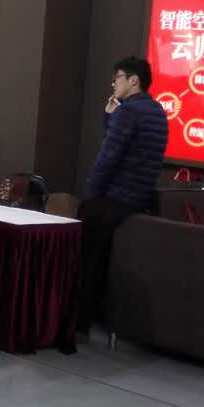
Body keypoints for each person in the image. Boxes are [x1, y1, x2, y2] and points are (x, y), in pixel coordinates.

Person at [77, 56, 169, 330]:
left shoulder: (128, 112)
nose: (113, 83)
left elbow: (108, 157)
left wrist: (90, 195)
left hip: (114, 197)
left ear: (133, 80)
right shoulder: (156, 111)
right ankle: (96, 316)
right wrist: (110, 117)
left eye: (117, 78)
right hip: (137, 198)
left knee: (86, 258)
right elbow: (127, 147)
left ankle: (79, 320)